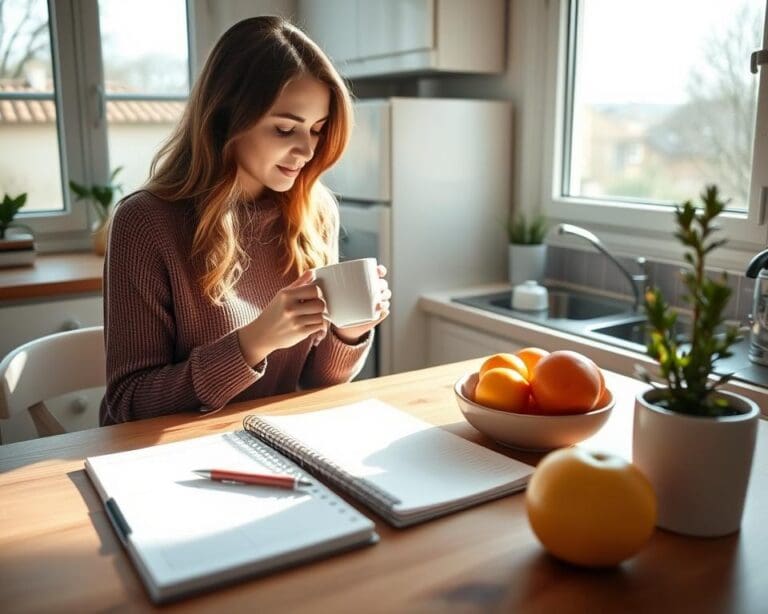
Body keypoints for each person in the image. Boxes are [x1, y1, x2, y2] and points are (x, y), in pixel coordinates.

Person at [100, 16, 390, 425]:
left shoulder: (313, 210)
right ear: (225, 118)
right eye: (285, 129)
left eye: (317, 130)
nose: (306, 151)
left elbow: (319, 382)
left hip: (273, 444)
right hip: (169, 459)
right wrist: (252, 343)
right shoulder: (145, 222)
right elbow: (128, 404)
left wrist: (350, 331)